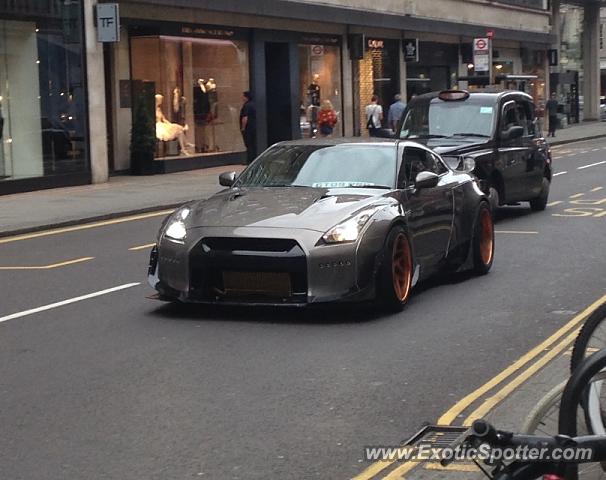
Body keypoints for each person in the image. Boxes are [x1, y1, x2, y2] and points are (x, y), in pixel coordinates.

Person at [240, 91, 256, 164]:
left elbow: (245, 117)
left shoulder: (247, 106)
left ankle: (249, 160)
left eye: (243, 96)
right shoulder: (254, 104)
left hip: (248, 128)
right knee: (253, 144)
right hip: (254, 127)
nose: (242, 98)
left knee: (249, 144)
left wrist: (243, 127)